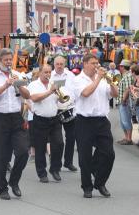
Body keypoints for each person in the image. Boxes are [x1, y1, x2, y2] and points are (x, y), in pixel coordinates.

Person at [0, 48, 30, 200]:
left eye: (10, 60)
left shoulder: (18, 74)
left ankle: (14, 181)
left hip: (16, 117)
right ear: (0, 60)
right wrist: (5, 85)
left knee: (23, 152)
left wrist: (18, 84)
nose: (9, 62)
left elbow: (28, 95)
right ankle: (2, 188)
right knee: (1, 157)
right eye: (6, 60)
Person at [71, 54, 118, 198]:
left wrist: (111, 83)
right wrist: (98, 78)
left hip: (102, 120)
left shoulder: (103, 79)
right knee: (84, 156)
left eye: (97, 63)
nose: (96, 65)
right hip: (84, 121)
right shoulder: (78, 80)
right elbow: (85, 93)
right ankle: (87, 187)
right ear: (85, 64)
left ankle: (100, 182)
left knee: (109, 153)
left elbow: (114, 95)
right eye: (93, 63)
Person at [28, 64, 64, 183]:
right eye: (46, 72)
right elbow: (34, 98)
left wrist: (60, 96)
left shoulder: (53, 84)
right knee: (40, 147)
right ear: (39, 73)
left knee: (59, 144)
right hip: (40, 119)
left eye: (49, 72)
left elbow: (60, 100)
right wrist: (50, 91)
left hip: (54, 119)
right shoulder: (34, 85)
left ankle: (55, 169)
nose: (48, 75)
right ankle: (42, 172)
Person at [51, 55, 77, 172]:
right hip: (55, 110)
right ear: (54, 64)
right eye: (57, 64)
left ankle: (68, 162)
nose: (60, 66)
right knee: (57, 140)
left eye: (62, 64)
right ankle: (56, 163)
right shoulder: (50, 75)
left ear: (65, 64)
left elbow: (75, 90)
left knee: (71, 137)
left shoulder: (71, 75)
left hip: (69, 108)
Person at [116, 60, 134, 145]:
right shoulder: (125, 75)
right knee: (123, 120)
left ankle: (129, 138)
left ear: (123, 67)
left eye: (121, 66)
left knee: (125, 120)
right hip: (122, 100)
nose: (119, 67)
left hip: (125, 101)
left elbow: (128, 89)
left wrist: (124, 100)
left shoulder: (127, 76)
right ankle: (126, 137)